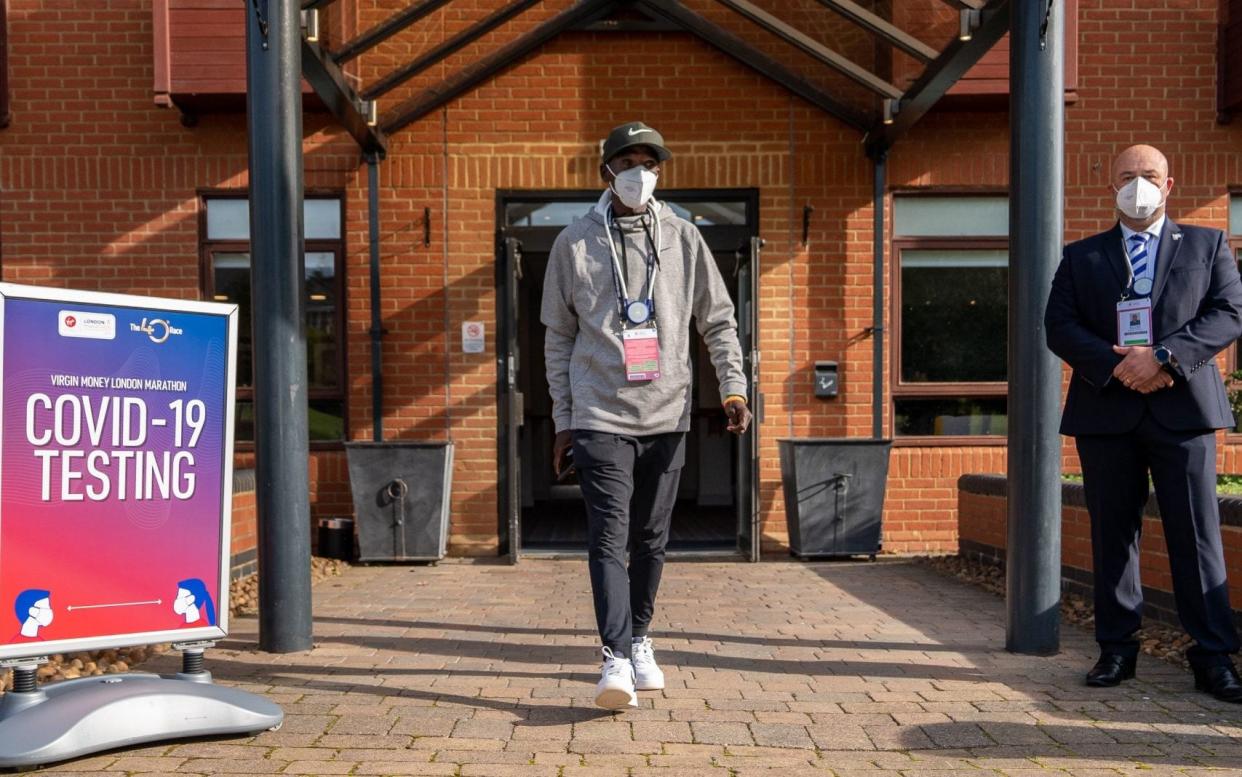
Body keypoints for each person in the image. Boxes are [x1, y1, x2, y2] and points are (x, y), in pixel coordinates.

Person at [541, 121, 752, 710]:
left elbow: (718, 320)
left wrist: (733, 388)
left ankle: (640, 640)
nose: (641, 173)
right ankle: (613, 659)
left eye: (650, 162)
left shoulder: (684, 238)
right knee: (609, 535)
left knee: (652, 537)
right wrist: (563, 418)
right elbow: (557, 340)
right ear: (604, 171)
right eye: (628, 161)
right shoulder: (574, 243)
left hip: (668, 412)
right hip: (600, 414)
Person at [1045, 144, 1242, 702]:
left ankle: (1213, 658)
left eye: (1149, 175)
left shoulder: (1207, 244)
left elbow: (1228, 313)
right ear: (1111, 188)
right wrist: (1120, 366)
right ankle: (1116, 650)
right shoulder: (1081, 256)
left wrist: (1164, 358)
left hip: (1184, 413)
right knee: (1112, 535)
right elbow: (1059, 325)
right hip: (1107, 413)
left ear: (1169, 183)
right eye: (1128, 177)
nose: (1139, 185)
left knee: (1197, 535)